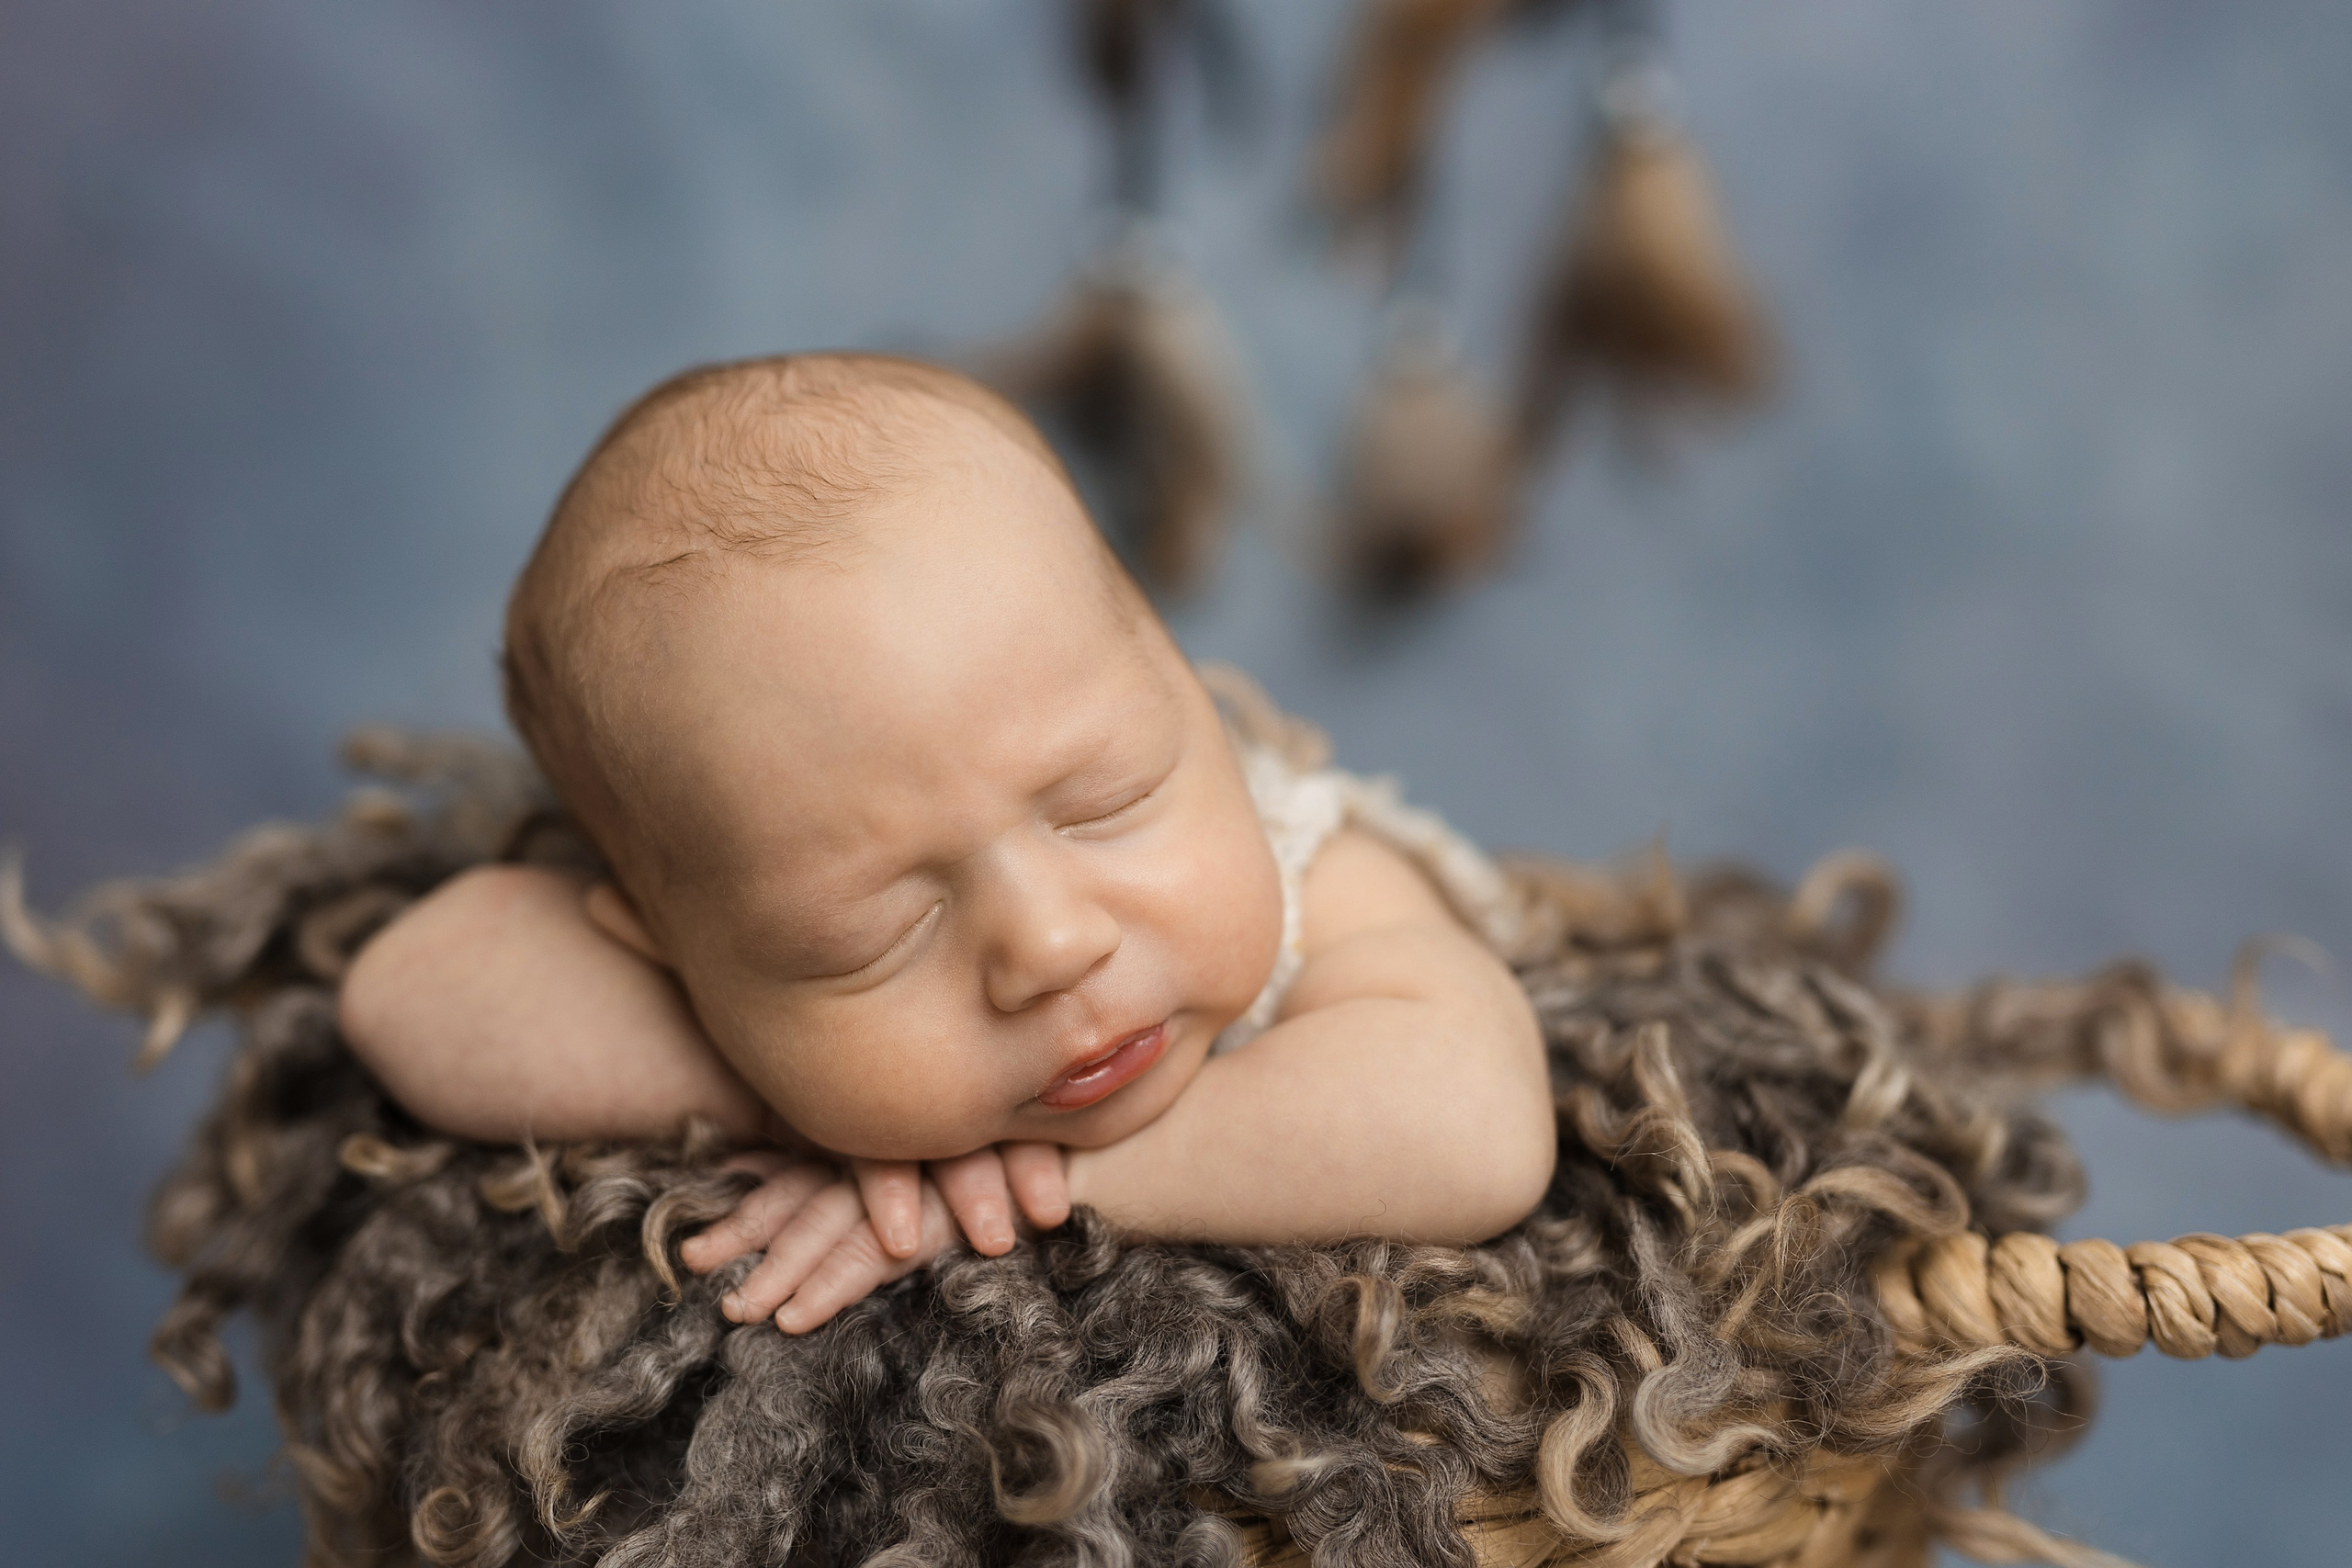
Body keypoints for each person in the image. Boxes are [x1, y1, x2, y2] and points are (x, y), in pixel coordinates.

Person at [341, 353, 1554, 1337]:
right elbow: (410, 991)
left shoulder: (1310, 869)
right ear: (675, 951)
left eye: (1103, 801)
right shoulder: (739, 975)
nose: (1052, 943)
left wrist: (1030, 1187)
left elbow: (1474, 1123)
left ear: (1193, 695)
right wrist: (800, 1088)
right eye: (875, 931)